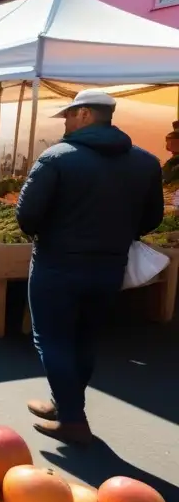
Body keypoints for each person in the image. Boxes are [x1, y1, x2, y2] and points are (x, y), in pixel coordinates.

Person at [15, 90, 163, 444]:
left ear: (83, 114)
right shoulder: (145, 161)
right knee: (85, 337)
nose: (65, 122)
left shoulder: (56, 158)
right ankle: (64, 403)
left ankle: (73, 419)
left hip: (57, 263)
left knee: (52, 339)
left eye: (68, 115)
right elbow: (152, 218)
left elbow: (27, 217)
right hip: (110, 265)